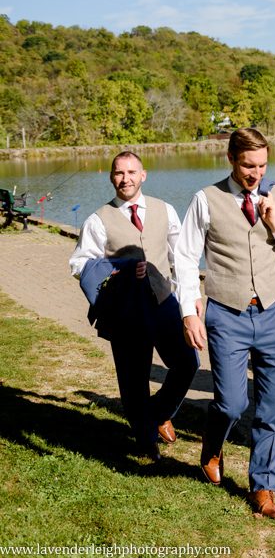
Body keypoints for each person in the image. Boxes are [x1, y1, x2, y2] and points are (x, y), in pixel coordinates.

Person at [174, 128, 275, 520]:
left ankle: (263, 487)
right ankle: (213, 443)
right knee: (232, 403)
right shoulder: (206, 199)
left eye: (263, 165)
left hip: (272, 313)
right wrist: (188, 311)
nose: (256, 173)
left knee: (274, 408)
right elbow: (185, 257)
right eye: (249, 165)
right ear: (231, 159)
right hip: (226, 314)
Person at [69, 151, 199, 461]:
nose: (125, 179)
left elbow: (178, 257)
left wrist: (189, 298)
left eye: (131, 172)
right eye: (118, 173)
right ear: (111, 177)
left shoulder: (165, 210)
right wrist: (121, 268)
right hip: (124, 310)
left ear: (143, 175)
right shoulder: (98, 219)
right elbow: (79, 263)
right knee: (133, 378)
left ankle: (157, 415)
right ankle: (145, 438)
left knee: (187, 363)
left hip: (164, 301)